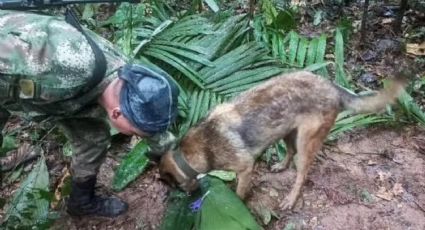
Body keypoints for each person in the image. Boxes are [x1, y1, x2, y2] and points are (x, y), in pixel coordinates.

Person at [0, 10, 179, 217]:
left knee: (93, 140)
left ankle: (81, 202)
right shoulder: (59, 64)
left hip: (66, 97)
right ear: (117, 114)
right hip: (10, 73)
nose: (138, 136)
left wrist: (173, 156)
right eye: (135, 133)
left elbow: (149, 122)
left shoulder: (130, 81)